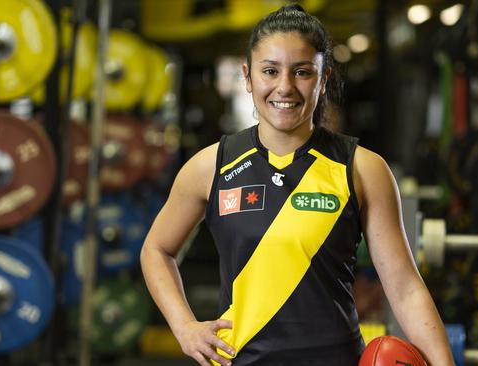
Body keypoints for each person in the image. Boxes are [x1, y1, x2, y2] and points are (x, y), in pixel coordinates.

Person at [140, 4, 454, 366]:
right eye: (270, 71)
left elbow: (404, 288)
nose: (284, 87)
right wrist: (184, 327)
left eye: (302, 72)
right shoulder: (211, 166)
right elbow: (156, 250)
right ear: (248, 76)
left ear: (323, 78)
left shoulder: (362, 169)